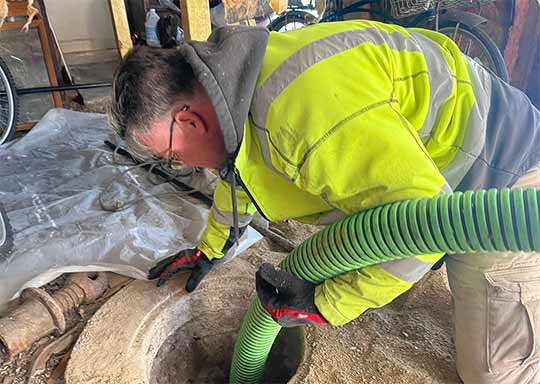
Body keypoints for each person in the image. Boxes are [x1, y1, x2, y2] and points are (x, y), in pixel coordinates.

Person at [110, 20, 540, 383]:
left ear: (187, 119)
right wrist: (210, 249)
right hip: (432, 169)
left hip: (499, 179)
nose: (177, 164)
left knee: (494, 371)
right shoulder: (235, 87)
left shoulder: (302, 117)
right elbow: (237, 177)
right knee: (376, 263)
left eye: (169, 155)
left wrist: (325, 304)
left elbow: (424, 229)